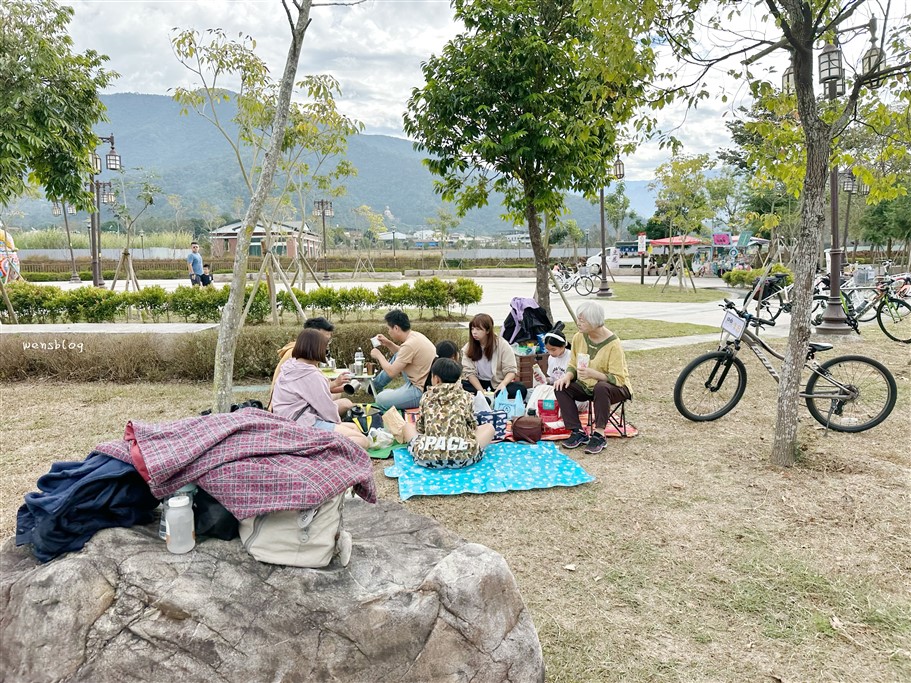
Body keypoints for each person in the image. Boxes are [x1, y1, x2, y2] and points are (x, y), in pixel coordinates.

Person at [554, 301, 632, 455]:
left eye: (582, 320)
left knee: (601, 387)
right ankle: (577, 432)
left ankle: (599, 435)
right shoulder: (578, 337)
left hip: (616, 388)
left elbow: (618, 378)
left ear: (594, 321)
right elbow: (573, 363)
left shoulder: (613, 344)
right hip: (586, 386)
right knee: (561, 387)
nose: (578, 323)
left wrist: (593, 374)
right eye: (578, 319)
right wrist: (567, 376)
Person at [271, 329, 369, 449]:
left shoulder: (289, 367)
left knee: (354, 427)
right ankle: (319, 450)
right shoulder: (312, 374)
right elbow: (327, 409)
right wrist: (335, 425)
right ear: (317, 349)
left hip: (287, 424)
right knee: (362, 440)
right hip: (303, 426)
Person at [402, 358, 496, 469]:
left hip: (428, 458)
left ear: (436, 379)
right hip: (464, 458)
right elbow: (472, 426)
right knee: (489, 428)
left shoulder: (426, 396)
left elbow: (421, 428)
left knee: (407, 427)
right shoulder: (466, 396)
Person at [268, 317, 350, 416]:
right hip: (293, 411)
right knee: (345, 404)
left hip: (296, 404)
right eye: (324, 341)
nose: (326, 345)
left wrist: (338, 384)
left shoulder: (302, 352)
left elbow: (313, 386)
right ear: (312, 336)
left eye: (328, 341)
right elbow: (312, 389)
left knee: (337, 395)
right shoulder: (297, 355)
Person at [369, 310, 436, 411]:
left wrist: (379, 356)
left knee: (380, 399)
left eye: (388, 329)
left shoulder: (409, 345)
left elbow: (391, 372)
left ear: (396, 328)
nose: (388, 332)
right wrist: (388, 343)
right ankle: (375, 386)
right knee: (398, 356)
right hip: (422, 379)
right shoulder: (415, 336)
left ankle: (379, 388)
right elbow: (403, 354)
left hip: (420, 390)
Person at [461, 313, 528, 401]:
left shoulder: (502, 345)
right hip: (478, 383)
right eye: (472, 329)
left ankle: (493, 398)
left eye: (478, 329)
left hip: (497, 383)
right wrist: (481, 391)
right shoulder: (468, 347)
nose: (474, 332)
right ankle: (487, 399)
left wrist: (503, 384)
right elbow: (469, 373)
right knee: (463, 385)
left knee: (520, 388)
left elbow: (511, 371)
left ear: (488, 330)